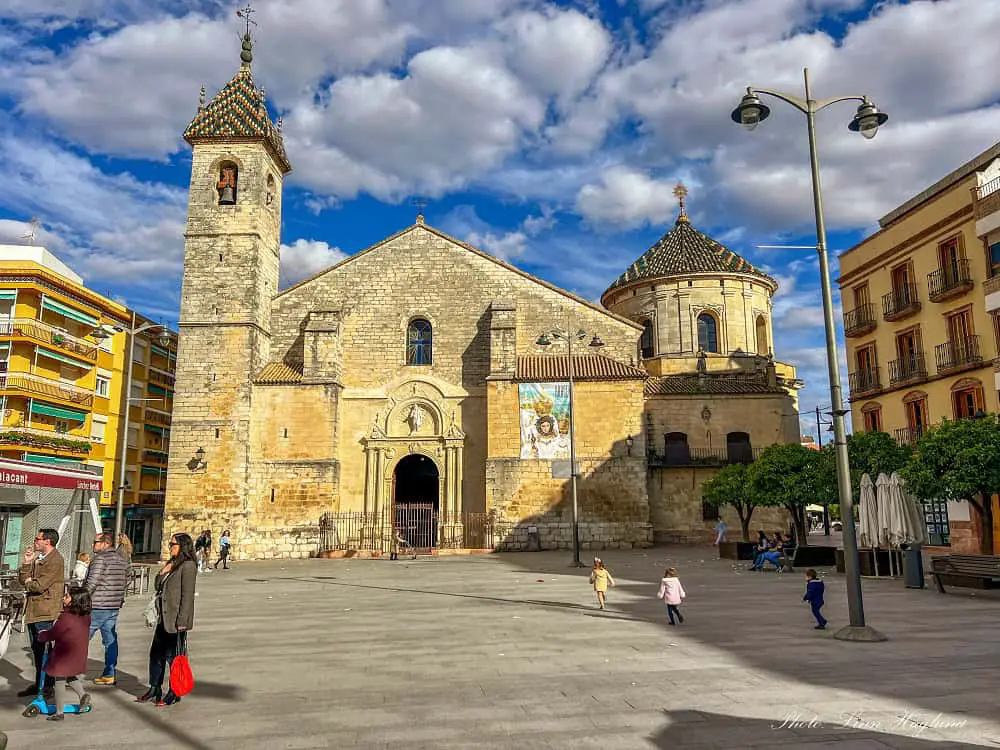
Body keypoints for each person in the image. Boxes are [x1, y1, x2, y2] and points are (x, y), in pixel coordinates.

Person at [138, 533, 196, 707]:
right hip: (163, 617)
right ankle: (155, 687)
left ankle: (174, 691)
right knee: (155, 654)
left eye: (173, 544)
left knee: (173, 657)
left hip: (176, 619)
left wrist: (182, 620)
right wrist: (162, 572)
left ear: (183, 546)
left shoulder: (188, 566)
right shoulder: (172, 564)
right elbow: (158, 586)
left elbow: (187, 595)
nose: (170, 547)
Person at [16, 528, 65, 698]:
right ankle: (39, 683)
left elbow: (39, 585)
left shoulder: (56, 560)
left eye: (38, 539)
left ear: (47, 541)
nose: (35, 541)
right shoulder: (39, 559)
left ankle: (47, 686)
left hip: (45, 612)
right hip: (33, 610)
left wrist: (30, 581)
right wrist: (27, 563)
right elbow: (24, 580)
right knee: (37, 650)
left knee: (45, 651)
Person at [37, 586, 92, 721]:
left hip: (64, 653)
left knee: (59, 680)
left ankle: (59, 712)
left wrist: (42, 635)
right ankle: (83, 695)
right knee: (69, 675)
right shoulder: (85, 615)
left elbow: (54, 633)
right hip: (78, 652)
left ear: (75, 600)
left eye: (67, 596)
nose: (63, 598)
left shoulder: (67, 617)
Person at [83, 532, 129, 686]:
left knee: (81, 639)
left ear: (105, 543)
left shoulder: (100, 559)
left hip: (97, 606)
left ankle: (72, 672)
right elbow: (127, 580)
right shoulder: (122, 559)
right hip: (113, 606)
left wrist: (78, 599)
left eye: (96, 542)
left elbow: (91, 583)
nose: (93, 545)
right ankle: (110, 673)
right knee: (110, 640)